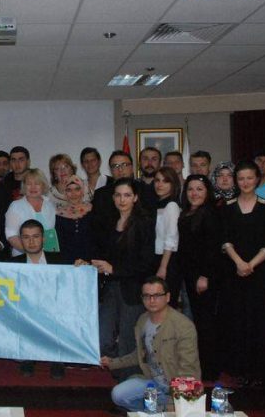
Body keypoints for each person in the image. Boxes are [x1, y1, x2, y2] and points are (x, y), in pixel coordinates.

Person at [101, 276, 200, 413]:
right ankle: (156, 410)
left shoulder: (183, 326)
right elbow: (139, 355)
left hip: (178, 387)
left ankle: (161, 409)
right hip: (153, 383)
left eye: (157, 296)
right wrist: (112, 363)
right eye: (147, 296)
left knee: (178, 409)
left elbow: (189, 368)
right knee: (118, 395)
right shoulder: (142, 320)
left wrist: (180, 401)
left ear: (167, 297)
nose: (151, 300)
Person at [220, 160, 265, 388]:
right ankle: (241, 370)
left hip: (259, 273)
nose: (245, 182)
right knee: (238, 321)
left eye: (249, 178)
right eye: (241, 178)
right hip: (234, 272)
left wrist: (250, 265)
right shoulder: (228, 207)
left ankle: (261, 372)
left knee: (260, 321)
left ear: (257, 179)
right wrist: (239, 262)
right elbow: (225, 239)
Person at [92, 178, 156, 380]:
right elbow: (104, 254)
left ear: (135, 198)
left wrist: (114, 269)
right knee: (103, 338)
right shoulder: (109, 222)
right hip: (110, 288)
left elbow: (146, 264)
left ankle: (128, 383)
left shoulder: (144, 223)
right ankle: (118, 373)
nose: (122, 200)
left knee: (128, 341)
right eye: (118, 195)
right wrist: (93, 264)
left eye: (127, 195)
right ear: (113, 198)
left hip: (133, 290)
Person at [177, 174, 221, 380]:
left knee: (206, 324)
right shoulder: (187, 213)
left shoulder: (209, 213)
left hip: (204, 277)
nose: (194, 193)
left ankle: (210, 370)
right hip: (189, 274)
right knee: (196, 322)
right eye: (190, 189)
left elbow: (212, 248)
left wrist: (205, 276)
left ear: (207, 192)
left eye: (199, 189)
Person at [11, 219, 68, 379]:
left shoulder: (61, 260)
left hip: (55, 312)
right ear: (21, 240)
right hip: (25, 313)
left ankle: (57, 359)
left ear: (43, 238)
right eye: (26, 237)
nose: (31, 242)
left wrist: (81, 268)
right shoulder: (11, 264)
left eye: (35, 236)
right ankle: (28, 357)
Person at [5, 168, 58, 256]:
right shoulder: (15, 206)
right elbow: (12, 236)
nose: (33, 187)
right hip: (23, 256)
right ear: (24, 186)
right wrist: (32, 255)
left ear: (43, 185)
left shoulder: (50, 205)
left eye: (37, 183)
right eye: (29, 184)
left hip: (49, 257)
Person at [152, 168, 181, 300]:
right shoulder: (156, 204)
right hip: (156, 258)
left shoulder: (172, 205)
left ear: (173, 184)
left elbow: (171, 238)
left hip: (167, 260)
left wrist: (163, 267)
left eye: (165, 181)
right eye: (157, 180)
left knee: (166, 302)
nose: (160, 184)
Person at [55, 176, 97, 264]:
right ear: (65, 193)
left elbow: (97, 240)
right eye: (69, 190)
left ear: (83, 191)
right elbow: (59, 243)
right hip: (66, 263)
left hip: (90, 262)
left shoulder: (93, 211)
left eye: (77, 189)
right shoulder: (58, 214)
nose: (73, 193)